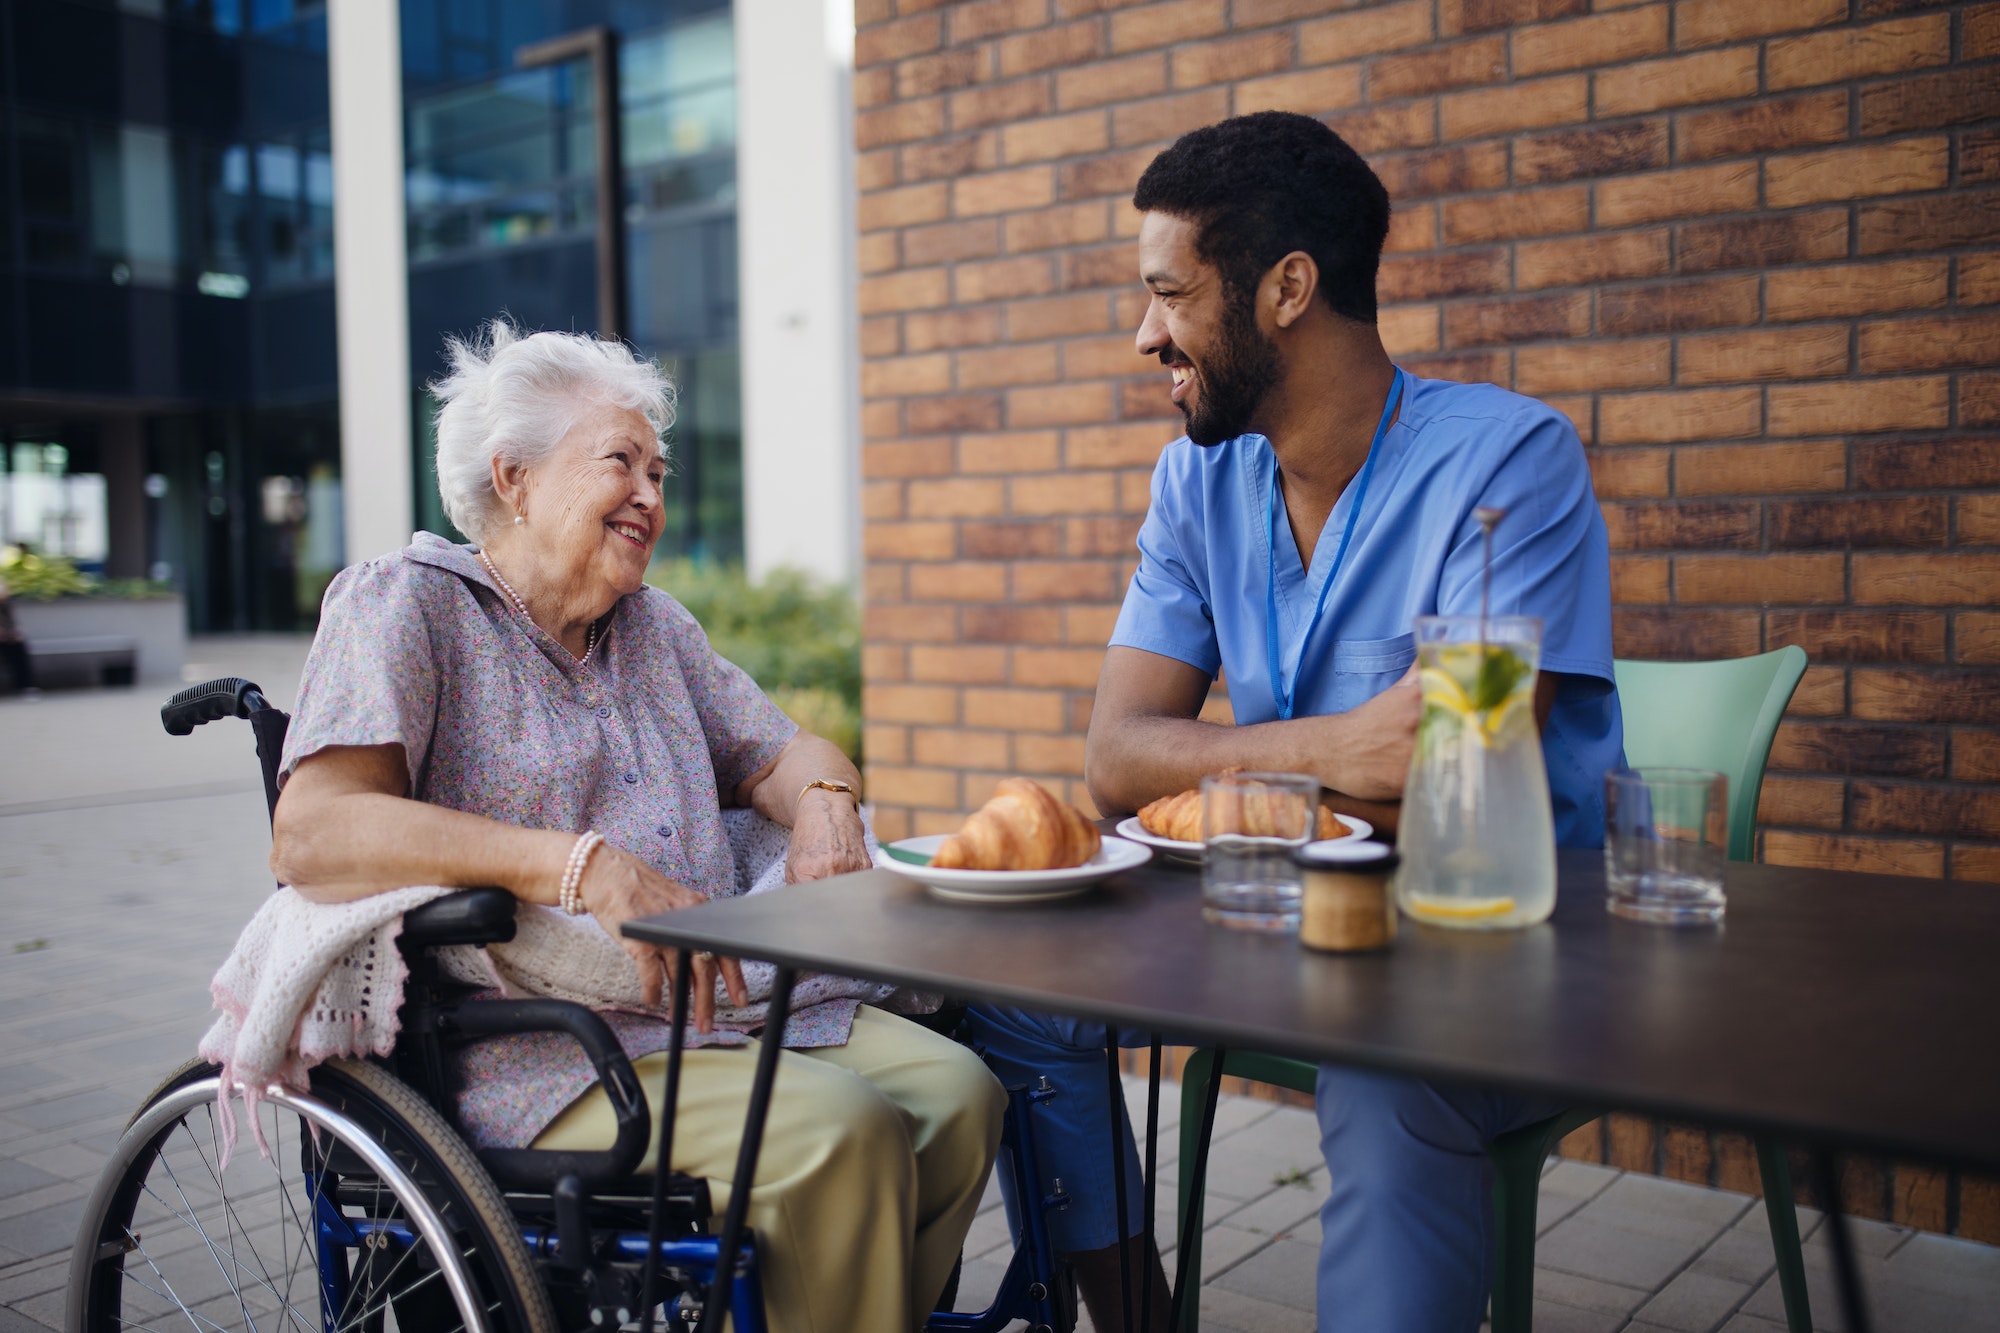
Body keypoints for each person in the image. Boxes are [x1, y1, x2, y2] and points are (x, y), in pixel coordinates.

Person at [967, 111, 1623, 1330]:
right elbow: (1116, 759)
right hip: (1277, 916)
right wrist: (1341, 749)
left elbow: (1456, 783)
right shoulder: (1196, 478)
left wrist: (1243, 768)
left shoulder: (1504, 467)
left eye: (1169, 293)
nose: (1142, 332)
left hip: (1484, 954)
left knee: (1384, 1076)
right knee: (1010, 992)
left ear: (1286, 289)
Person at [269, 320, 1006, 1333]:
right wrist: (579, 867)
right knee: (846, 1133)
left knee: (957, 1095)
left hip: (708, 1008)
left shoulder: (655, 631)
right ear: (514, 477)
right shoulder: (409, 607)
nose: (651, 496)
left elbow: (792, 754)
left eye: (659, 470)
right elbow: (312, 833)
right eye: (621, 462)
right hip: (542, 1052)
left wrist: (828, 808)